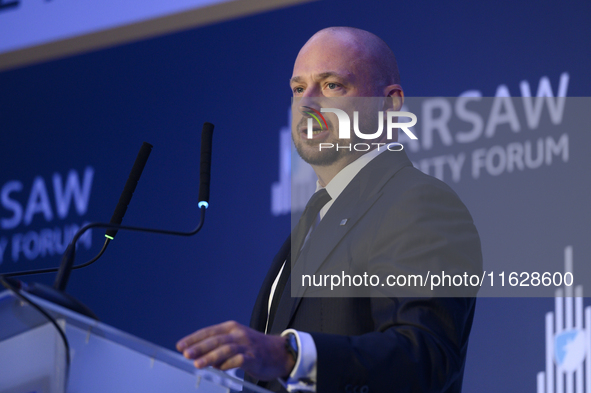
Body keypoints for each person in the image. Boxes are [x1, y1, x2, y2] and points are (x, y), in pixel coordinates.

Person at [176, 27, 482, 393]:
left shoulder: (416, 202)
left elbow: (425, 357)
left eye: (333, 85)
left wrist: (293, 355)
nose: (308, 103)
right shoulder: (315, 218)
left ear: (390, 103)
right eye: (298, 89)